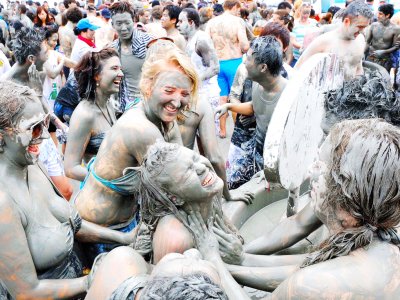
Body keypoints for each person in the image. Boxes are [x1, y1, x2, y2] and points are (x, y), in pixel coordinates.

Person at [212, 118, 400, 298]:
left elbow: (306, 282)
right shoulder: (379, 242)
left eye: (321, 165)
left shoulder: (312, 283)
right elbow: (311, 265)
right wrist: (241, 260)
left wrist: (211, 261)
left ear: (345, 200)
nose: (311, 170)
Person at [0, 81, 138, 299]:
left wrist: (126, 238)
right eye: (34, 128)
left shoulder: (33, 165)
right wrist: (93, 279)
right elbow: (26, 292)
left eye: (46, 123)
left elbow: (73, 226)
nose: (45, 136)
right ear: (1, 136)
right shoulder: (3, 203)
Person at [74, 49, 198, 257]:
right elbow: (177, 189)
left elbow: (182, 161)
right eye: (169, 91)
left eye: (184, 94)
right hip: (100, 231)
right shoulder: (141, 129)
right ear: (148, 87)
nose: (177, 102)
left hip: (125, 223)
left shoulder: (161, 116)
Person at [216, 36, 287, 189]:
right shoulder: (257, 83)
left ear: (263, 67)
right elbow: (255, 106)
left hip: (280, 163)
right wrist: (229, 106)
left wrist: (272, 171)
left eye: (248, 58)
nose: (243, 62)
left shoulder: (288, 96)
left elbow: (293, 143)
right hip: (260, 154)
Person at [64, 48, 122, 182]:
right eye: (114, 68)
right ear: (97, 75)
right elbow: (70, 169)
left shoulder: (109, 103)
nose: (121, 74)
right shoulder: (84, 115)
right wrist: (111, 181)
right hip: (99, 196)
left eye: (120, 68)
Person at [295, 0, 373, 79]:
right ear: (346, 21)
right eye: (360, 27)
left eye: (365, 27)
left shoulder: (360, 39)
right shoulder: (323, 41)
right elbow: (298, 69)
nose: (363, 31)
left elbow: (358, 68)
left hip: (352, 89)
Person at [206, 0, 250, 138]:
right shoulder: (237, 22)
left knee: (222, 98)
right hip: (234, 63)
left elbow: (206, 43)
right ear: (235, 6)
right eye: (238, 8)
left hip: (218, 64)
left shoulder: (211, 22)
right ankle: (237, 129)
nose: (239, 11)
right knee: (235, 99)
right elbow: (244, 45)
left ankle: (222, 130)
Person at [109, 0, 153, 112]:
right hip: (125, 108)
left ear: (133, 21)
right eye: (119, 24)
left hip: (150, 105)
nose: (124, 28)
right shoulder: (112, 49)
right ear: (113, 24)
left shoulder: (148, 42)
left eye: (127, 23)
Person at [365, 4, 400, 72]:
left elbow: (396, 46)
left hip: (385, 59)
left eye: (380, 14)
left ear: (387, 15)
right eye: (378, 13)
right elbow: (367, 42)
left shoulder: (396, 29)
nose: (377, 16)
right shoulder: (373, 25)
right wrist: (362, 54)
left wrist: (383, 51)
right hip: (371, 56)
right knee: (368, 77)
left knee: (382, 79)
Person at [291, 2, 317, 66]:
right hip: (297, 57)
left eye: (308, 13)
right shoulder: (294, 23)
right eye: (304, 13)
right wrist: (304, 47)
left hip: (310, 56)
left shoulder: (313, 23)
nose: (305, 15)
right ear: (300, 11)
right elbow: (293, 41)